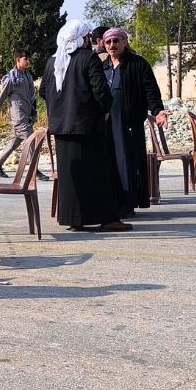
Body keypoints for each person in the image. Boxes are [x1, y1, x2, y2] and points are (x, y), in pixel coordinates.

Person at [41, 20, 129, 232]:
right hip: (87, 127)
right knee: (99, 173)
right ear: (82, 38)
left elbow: (44, 91)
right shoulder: (88, 58)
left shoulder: (53, 62)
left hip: (62, 128)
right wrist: (104, 109)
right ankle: (107, 218)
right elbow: (101, 91)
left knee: (72, 177)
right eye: (87, 36)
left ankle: (74, 219)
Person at [100, 28, 166, 217]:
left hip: (128, 123)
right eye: (108, 42)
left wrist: (158, 111)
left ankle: (128, 204)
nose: (112, 45)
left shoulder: (138, 63)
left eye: (116, 41)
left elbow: (150, 90)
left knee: (128, 163)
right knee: (110, 163)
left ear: (124, 41)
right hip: (107, 124)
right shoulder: (103, 66)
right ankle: (113, 202)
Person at [0, 51, 47, 181]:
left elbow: (32, 97)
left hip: (27, 115)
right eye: (25, 59)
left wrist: (34, 112)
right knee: (31, 140)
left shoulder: (27, 76)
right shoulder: (11, 79)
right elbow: (1, 98)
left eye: (28, 58)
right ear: (18, 60)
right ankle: (34, 170)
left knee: (14, 142)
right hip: (18, 117)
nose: (28, 61)